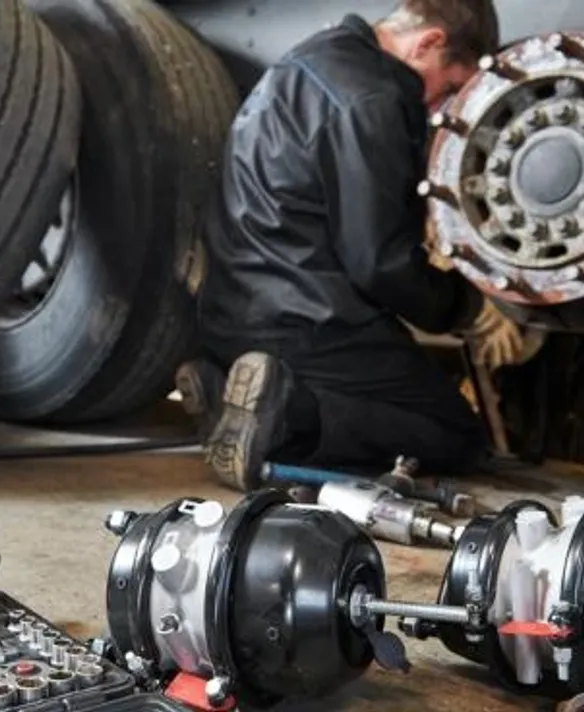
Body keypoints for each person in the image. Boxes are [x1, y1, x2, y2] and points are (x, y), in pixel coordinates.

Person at [175, 0, 526, 492]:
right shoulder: (374, 97)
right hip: (305, 324)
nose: (438, 108)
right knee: (458, 435)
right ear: (427, 43)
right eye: (447, 87)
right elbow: (380, 264)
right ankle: (291, 413)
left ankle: (224, 387)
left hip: (233, 310)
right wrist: (470, 309)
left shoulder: (311, 58)